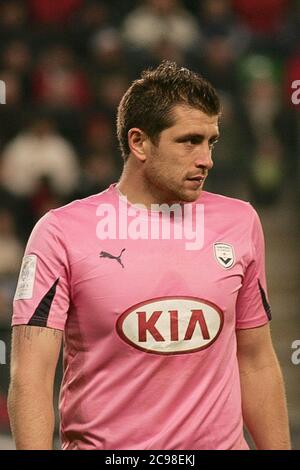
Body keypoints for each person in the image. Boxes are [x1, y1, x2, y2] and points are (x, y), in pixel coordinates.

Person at [8, 61, 291, 450]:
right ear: (139, 142)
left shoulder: (240, 222)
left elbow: (256, 359)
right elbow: (31, 377)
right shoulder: (61, 233)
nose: (206, 158)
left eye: (211, 141)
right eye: (189, 140)